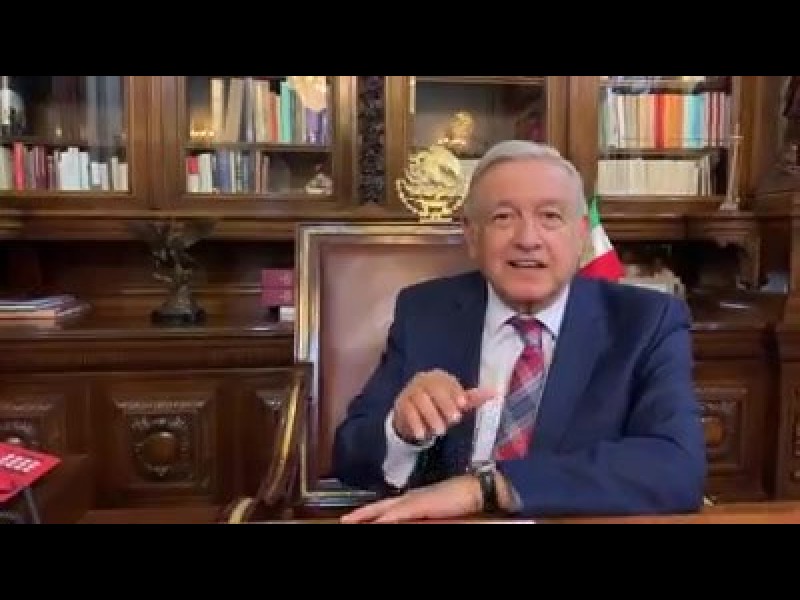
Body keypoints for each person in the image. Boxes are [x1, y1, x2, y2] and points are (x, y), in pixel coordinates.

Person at [331, 139, 707, 523]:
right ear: (471, 236)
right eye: (503, 218)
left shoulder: (645, 322)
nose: (528, 239)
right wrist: (402, 431)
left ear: (581, 235)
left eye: (550, 217)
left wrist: (486, 489)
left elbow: (676, 466)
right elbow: (349, 456)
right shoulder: (426, 312)